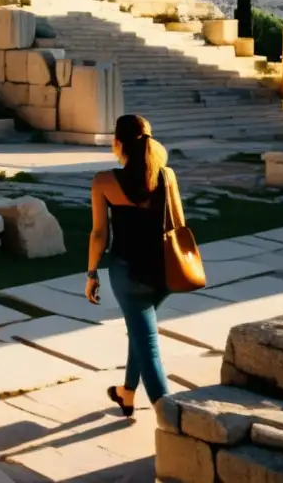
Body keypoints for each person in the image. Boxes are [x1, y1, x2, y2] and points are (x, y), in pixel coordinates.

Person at [85, 114, 185, 423]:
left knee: (148, 345)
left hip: (128, 274)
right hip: (165, 272)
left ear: (117, 143)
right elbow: (180, 225)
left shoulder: (104, 181)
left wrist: (91, 274)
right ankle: (127, 393)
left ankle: (172, 423)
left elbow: (100, 234)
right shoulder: (166, 176)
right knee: (140, 333)